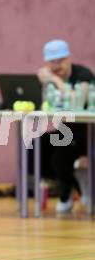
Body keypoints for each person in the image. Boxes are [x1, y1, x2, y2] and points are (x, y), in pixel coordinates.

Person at [37, 39, 95, 213]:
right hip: (66, 129)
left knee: (60, 157)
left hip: (87, 130)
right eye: (52, 63)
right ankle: (71, 184)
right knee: (35, 146)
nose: (57, 66)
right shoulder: (52, 80)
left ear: (69, 59)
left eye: (60, 61)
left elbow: (78, 103)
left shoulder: (84, 74)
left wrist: (54, 80)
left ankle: (67, 191)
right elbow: (47, 104)